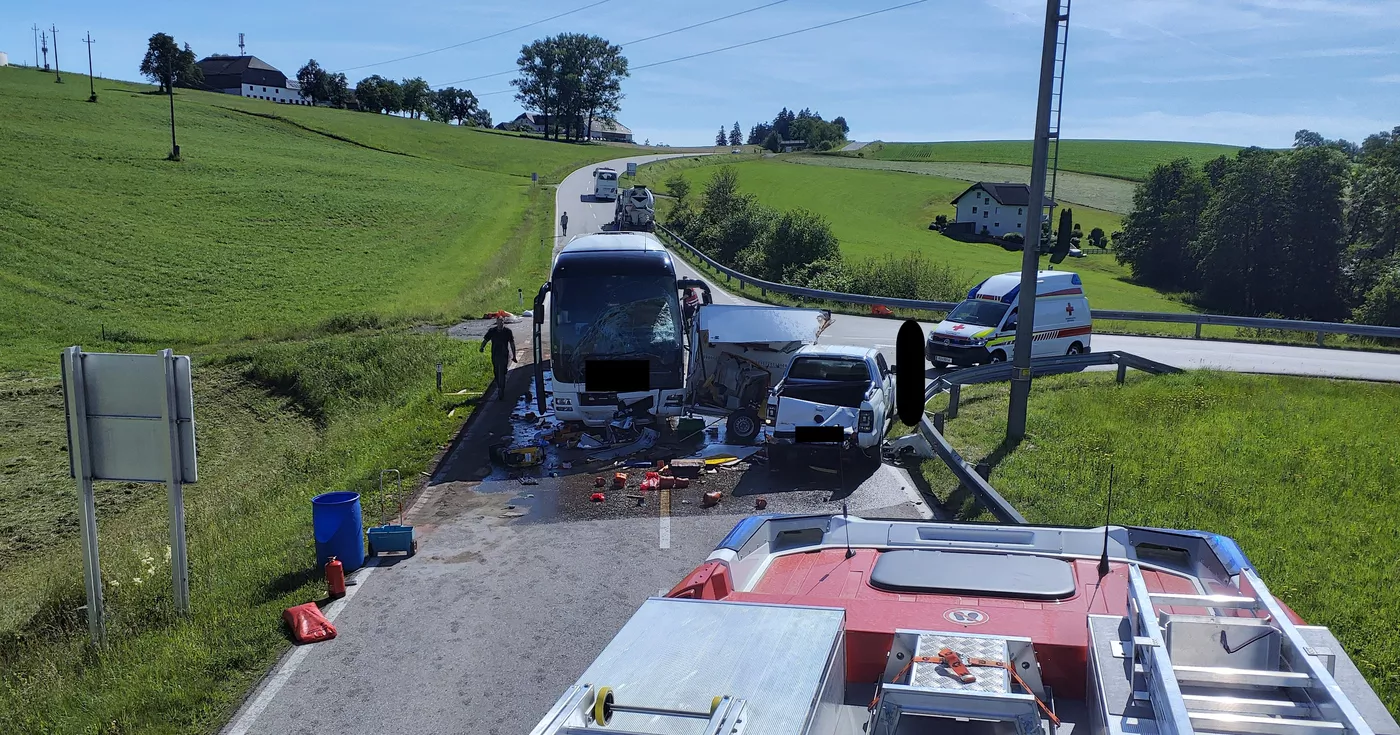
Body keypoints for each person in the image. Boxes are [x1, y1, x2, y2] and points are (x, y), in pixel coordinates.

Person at [480, 315, 517, 400]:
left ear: (503, 322)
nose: (500, 324)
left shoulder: (508, 331)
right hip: (495, 354)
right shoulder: (492, 331)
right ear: (496, 323)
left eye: (502, 322)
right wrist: (482, 347)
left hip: (504, 355)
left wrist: (514, 355)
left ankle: (501, 389)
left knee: (503, 371)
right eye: (498, 322)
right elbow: (485, 340)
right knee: (496, 371)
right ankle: (499, 384)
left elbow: (512, 344)